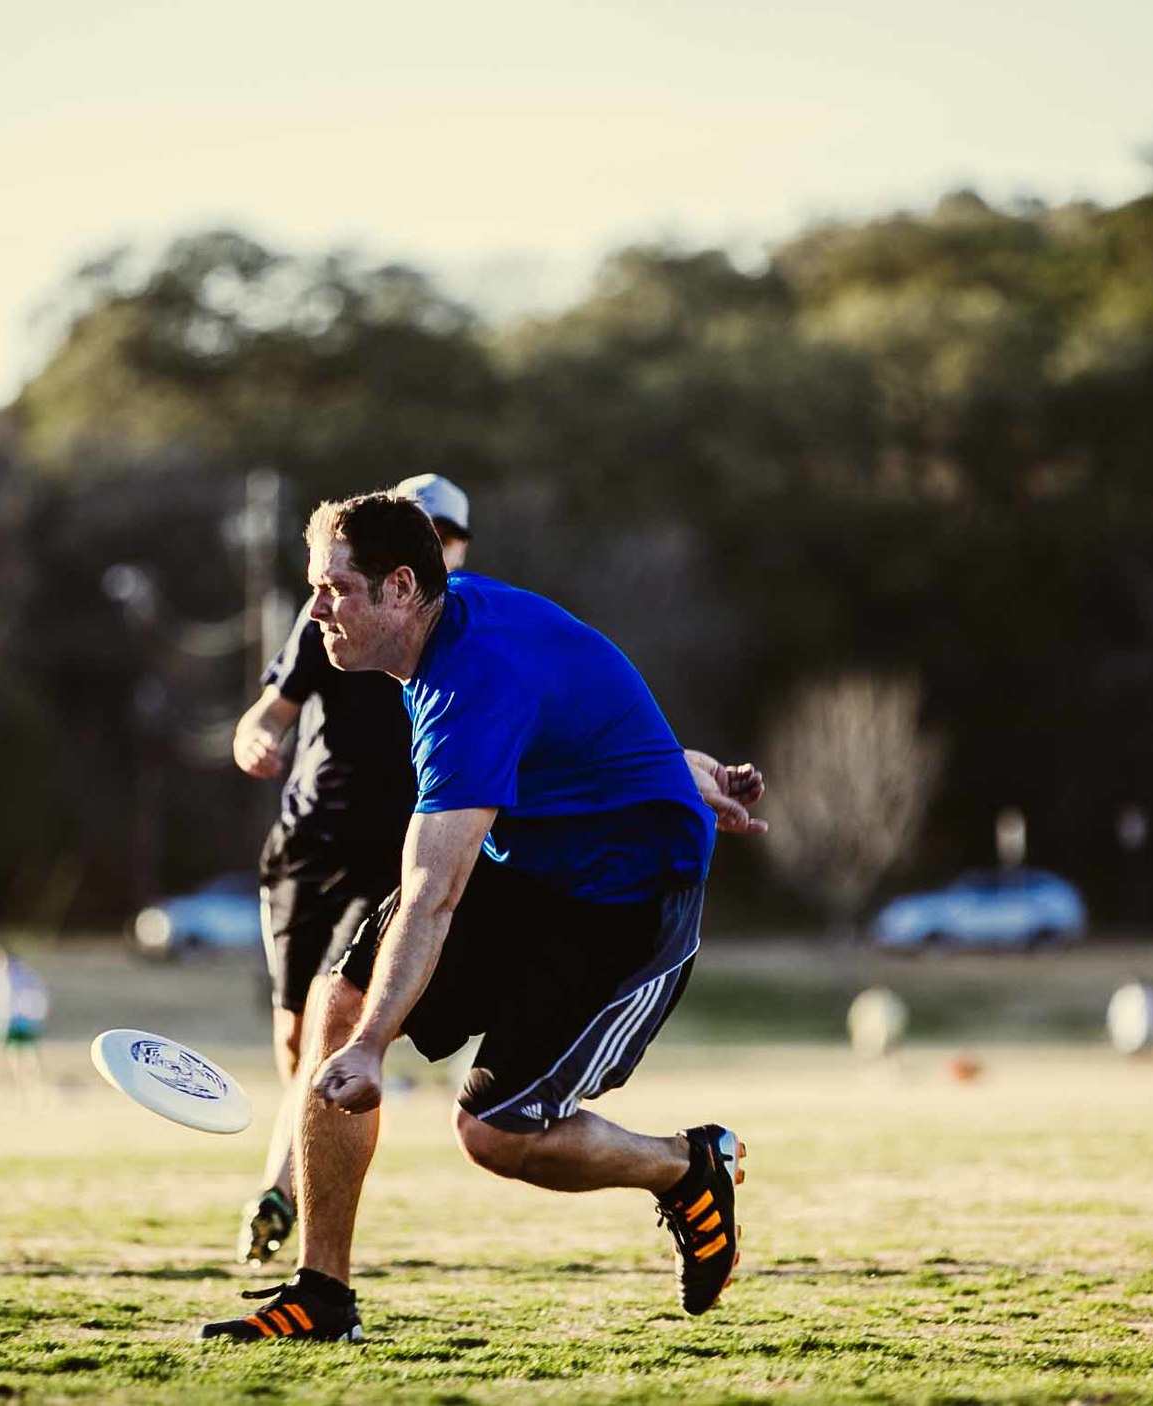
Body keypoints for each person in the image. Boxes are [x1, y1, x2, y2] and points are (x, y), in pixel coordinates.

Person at [198, 492, 766, 1343]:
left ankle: (684, 1168)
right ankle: (322, 1297)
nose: (314, 610)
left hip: (626, 905)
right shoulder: (442, 632)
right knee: (338, 1003)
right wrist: (676, 764)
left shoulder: (469, 687)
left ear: (398, 588)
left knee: (496, 1135)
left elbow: (433, 895)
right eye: (313, 587)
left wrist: (372, 1047)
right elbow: (583, 709)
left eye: (335, 589)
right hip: (531, 866)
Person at [227, 474, 471, 1266]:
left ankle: (281, 1193)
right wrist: (254, 740)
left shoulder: (469, 635)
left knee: (338, 1022)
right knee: (296, 1042)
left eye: (440, 532)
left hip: (394, 854)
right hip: (306, 847)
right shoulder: (330, 610)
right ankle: (289, 1183)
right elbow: (267, 712)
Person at [0, 943, 50, 1106]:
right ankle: (29, 1093)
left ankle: (27, 1093)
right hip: (21, 1020)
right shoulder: (21, 972)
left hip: (10, 1021)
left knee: (17, 1057)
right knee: (26, 1057)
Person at [1106, 978, 1153, 1058]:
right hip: (1135, 1029)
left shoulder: (1129, 995)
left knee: (1143, 1051)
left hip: (1139, 1028)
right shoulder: (1127, 995)